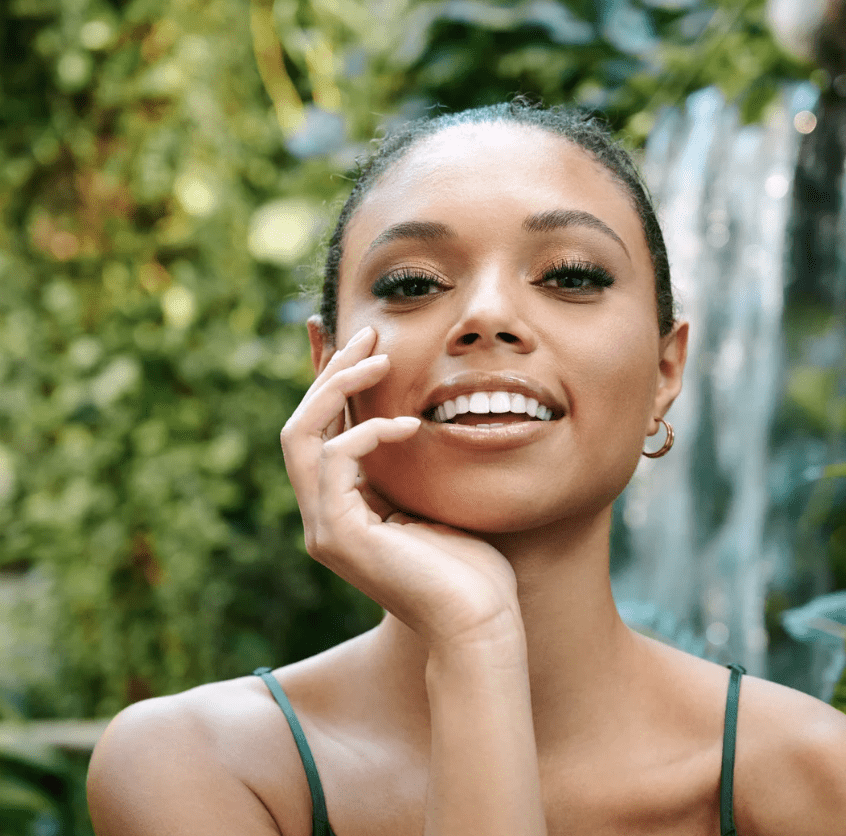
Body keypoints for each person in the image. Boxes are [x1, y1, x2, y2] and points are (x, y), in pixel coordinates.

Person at [87, 100, 846, 836]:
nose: (486, 314)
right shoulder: (197, 767)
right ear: (328, 371)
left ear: (665, 368)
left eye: (571, 275)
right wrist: (474, 642)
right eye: (413, 284)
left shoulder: (815, 777)